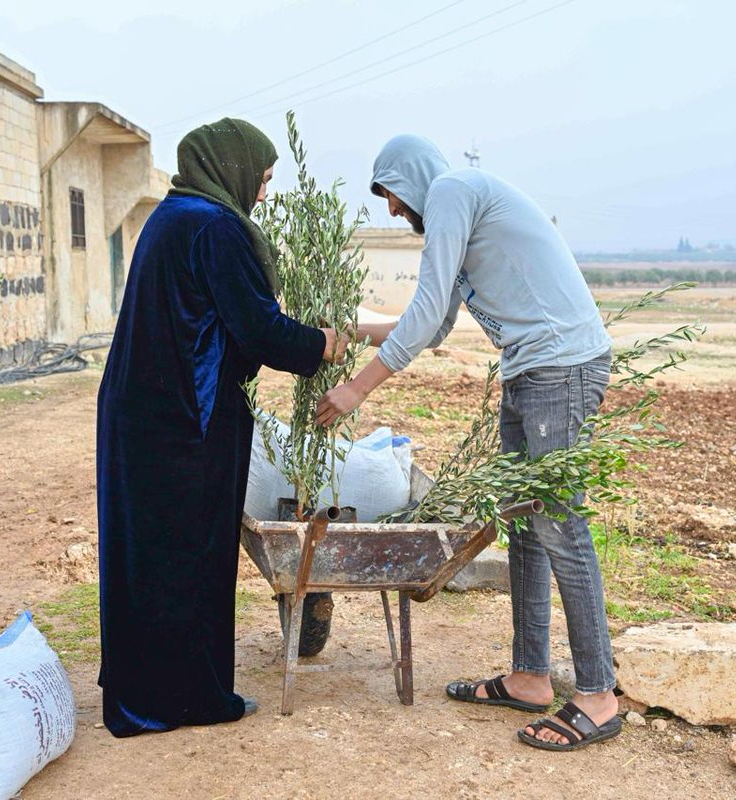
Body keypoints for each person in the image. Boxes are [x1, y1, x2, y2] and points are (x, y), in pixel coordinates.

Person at [316, 135, 621, 751]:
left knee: (560, 522)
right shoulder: (455, 215)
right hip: (532, 369)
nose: (394, 212)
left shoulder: (453, 191)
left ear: (417, 177)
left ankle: (597, 693)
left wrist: (357, 389)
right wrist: (348, 330)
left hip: (560, 367)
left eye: (394, 196)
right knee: (526, 524)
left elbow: (425, 312)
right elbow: (433, 327)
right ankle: (530, 676)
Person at [96, 118, 345, 735]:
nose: (263, 194)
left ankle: (140, 693)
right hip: (187, 423)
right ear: (231, 168)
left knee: (147, 555)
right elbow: (257, 328)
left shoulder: (171, 216)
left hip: (143, 417)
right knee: (190, 555)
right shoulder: (215, 227)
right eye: (261, 179)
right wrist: (323, 345)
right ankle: (188, 699)